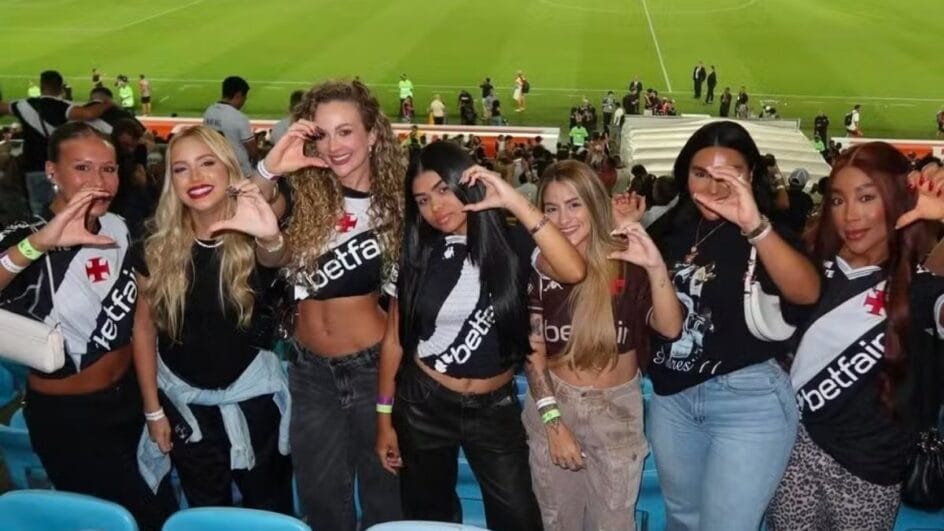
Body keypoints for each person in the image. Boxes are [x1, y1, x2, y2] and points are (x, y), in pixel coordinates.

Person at [375, 141, 585, 530]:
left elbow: (573, 270)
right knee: (430, 518)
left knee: (519, 517)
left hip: (494, 407)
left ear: (466, 181)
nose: (436, 208)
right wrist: (384, 418)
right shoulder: (414, 253)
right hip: (423, 403)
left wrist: (514, 202)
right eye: (422, 200)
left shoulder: (513, 242)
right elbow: (394, 340)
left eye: (443, 189)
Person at [0, 122, 176, 530]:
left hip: (129, 399)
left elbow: (142, 321)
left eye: (108, 169)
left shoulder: (119, 227)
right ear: (52, 172)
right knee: (111, 520)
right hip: (69, 419)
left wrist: (152, 408)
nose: (99, 181)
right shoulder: (27, 237)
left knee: (158, 507)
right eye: (82, 168)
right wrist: (38, 245)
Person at [648, 121, 821, 530]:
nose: (713, 188)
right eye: (700, 174)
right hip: (673, 399)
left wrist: (754, 225)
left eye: (729, 174)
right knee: (682, 519)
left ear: (751, 174)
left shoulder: (767, 232)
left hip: (748, 400)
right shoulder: (669, 230)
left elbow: (807, 292)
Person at [249, 80, 404, 531]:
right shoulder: (302, 191)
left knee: (385, 495)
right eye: (323, 134)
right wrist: (270, 167)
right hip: (308, 370)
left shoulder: (399, 205)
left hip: (374, 367)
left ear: (372, 135)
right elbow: (249, 219)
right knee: (321, 500)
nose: (334, 146)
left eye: (346, 131)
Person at [767, 143, 944, 530]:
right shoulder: (804, 270)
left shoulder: (920, 288)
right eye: (837, 199)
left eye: (866, 197)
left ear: (898, 199)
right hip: (791, 455)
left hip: (871, 474)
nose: (850, 215)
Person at [134, 125, 293, 512]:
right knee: (207, 511)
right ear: (170, 180)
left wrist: (270, 238)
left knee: (269, 506)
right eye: (181, 168)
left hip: (254, 401)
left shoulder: (255, 231)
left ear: (228, 169)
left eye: (207, 163)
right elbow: (143, 329)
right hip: (186, 405)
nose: (196, 177)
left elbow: (275, 256)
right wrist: (153, 410)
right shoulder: (153, 248)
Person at [525, 160, 683, 530]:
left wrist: (656, 266)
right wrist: (554, 424)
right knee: (558, 522)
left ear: (595, 204)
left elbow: (670, 327)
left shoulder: (628, 259)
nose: (564, 219)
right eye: (551, 208)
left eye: (574, 204)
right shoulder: (540, 265)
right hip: (554, 402)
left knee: (614, 523)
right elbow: (534, 355)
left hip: (616, 409)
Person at [0, 70, 113, 217]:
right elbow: (88, 114)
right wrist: (107, 104)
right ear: (60, 87)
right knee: (65, 209)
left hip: (33, 167)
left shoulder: (24, 105)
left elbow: (2, 107)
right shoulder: (63, 106)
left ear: (42, 86)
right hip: (59, 167)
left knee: (38, 211)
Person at [203, 76, 258, 177]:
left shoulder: (209, 111)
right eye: (244, 97)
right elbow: (252, 150)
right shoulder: (239, 117)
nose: (244, 101)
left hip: (218, 167)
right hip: (240, 171)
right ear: (238, 95)